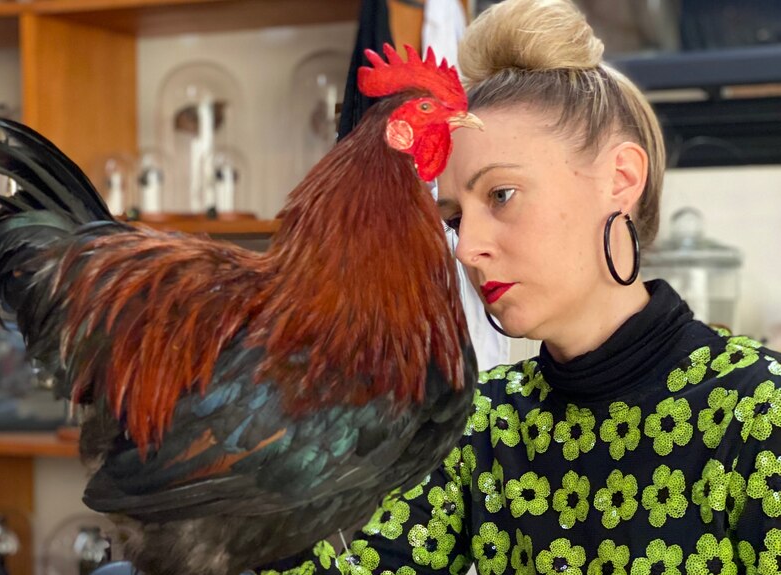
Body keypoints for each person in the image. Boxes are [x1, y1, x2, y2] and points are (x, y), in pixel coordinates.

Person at [259, 0, 781, 573]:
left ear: (621, 178)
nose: (466, 246)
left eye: (501, 195)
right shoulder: (482, 420)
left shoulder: (758, 411)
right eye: (454, 217)